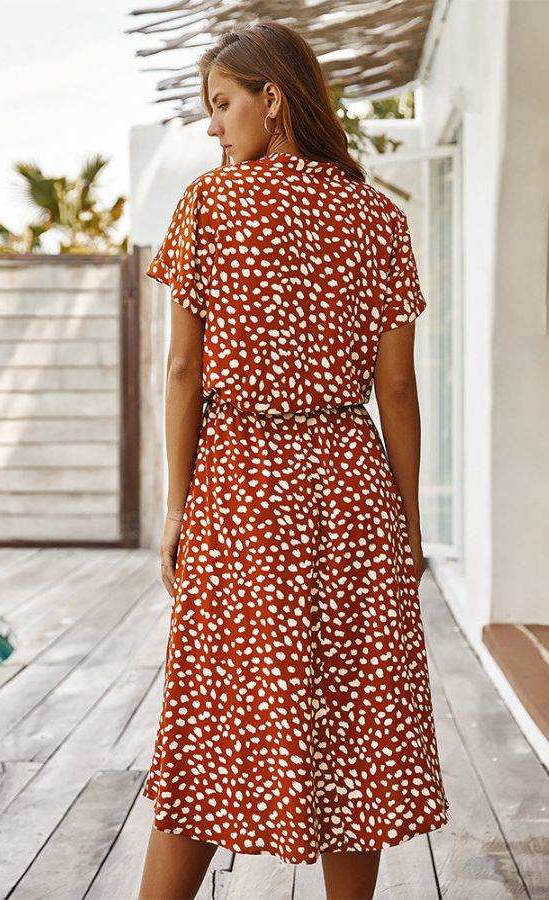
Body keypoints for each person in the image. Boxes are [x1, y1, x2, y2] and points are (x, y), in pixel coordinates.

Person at [138, 21, 450, 900]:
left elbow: (184, 373)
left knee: (213, 719)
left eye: (222, 103)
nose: (212, 126)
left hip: (240, 488)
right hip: (353, 489)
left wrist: (176, 506)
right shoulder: (379, 217)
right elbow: (398, 389)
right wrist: (409, 525)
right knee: (359, 726)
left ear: (271, 99)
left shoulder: (209, 205)